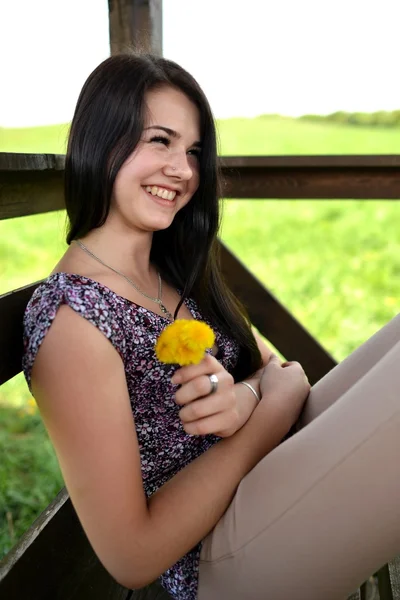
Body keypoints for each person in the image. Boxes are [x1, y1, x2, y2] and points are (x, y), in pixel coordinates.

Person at [22, 53, 400, 600]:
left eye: (193, 150)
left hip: (270, 485)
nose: (184, 169)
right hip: (218, 558)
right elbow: (131, 556)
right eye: (159, 140)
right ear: (101, 143)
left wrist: (249, 396)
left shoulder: (171, 274)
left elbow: (273, 369)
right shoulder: (72, 321)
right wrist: (267, 411)